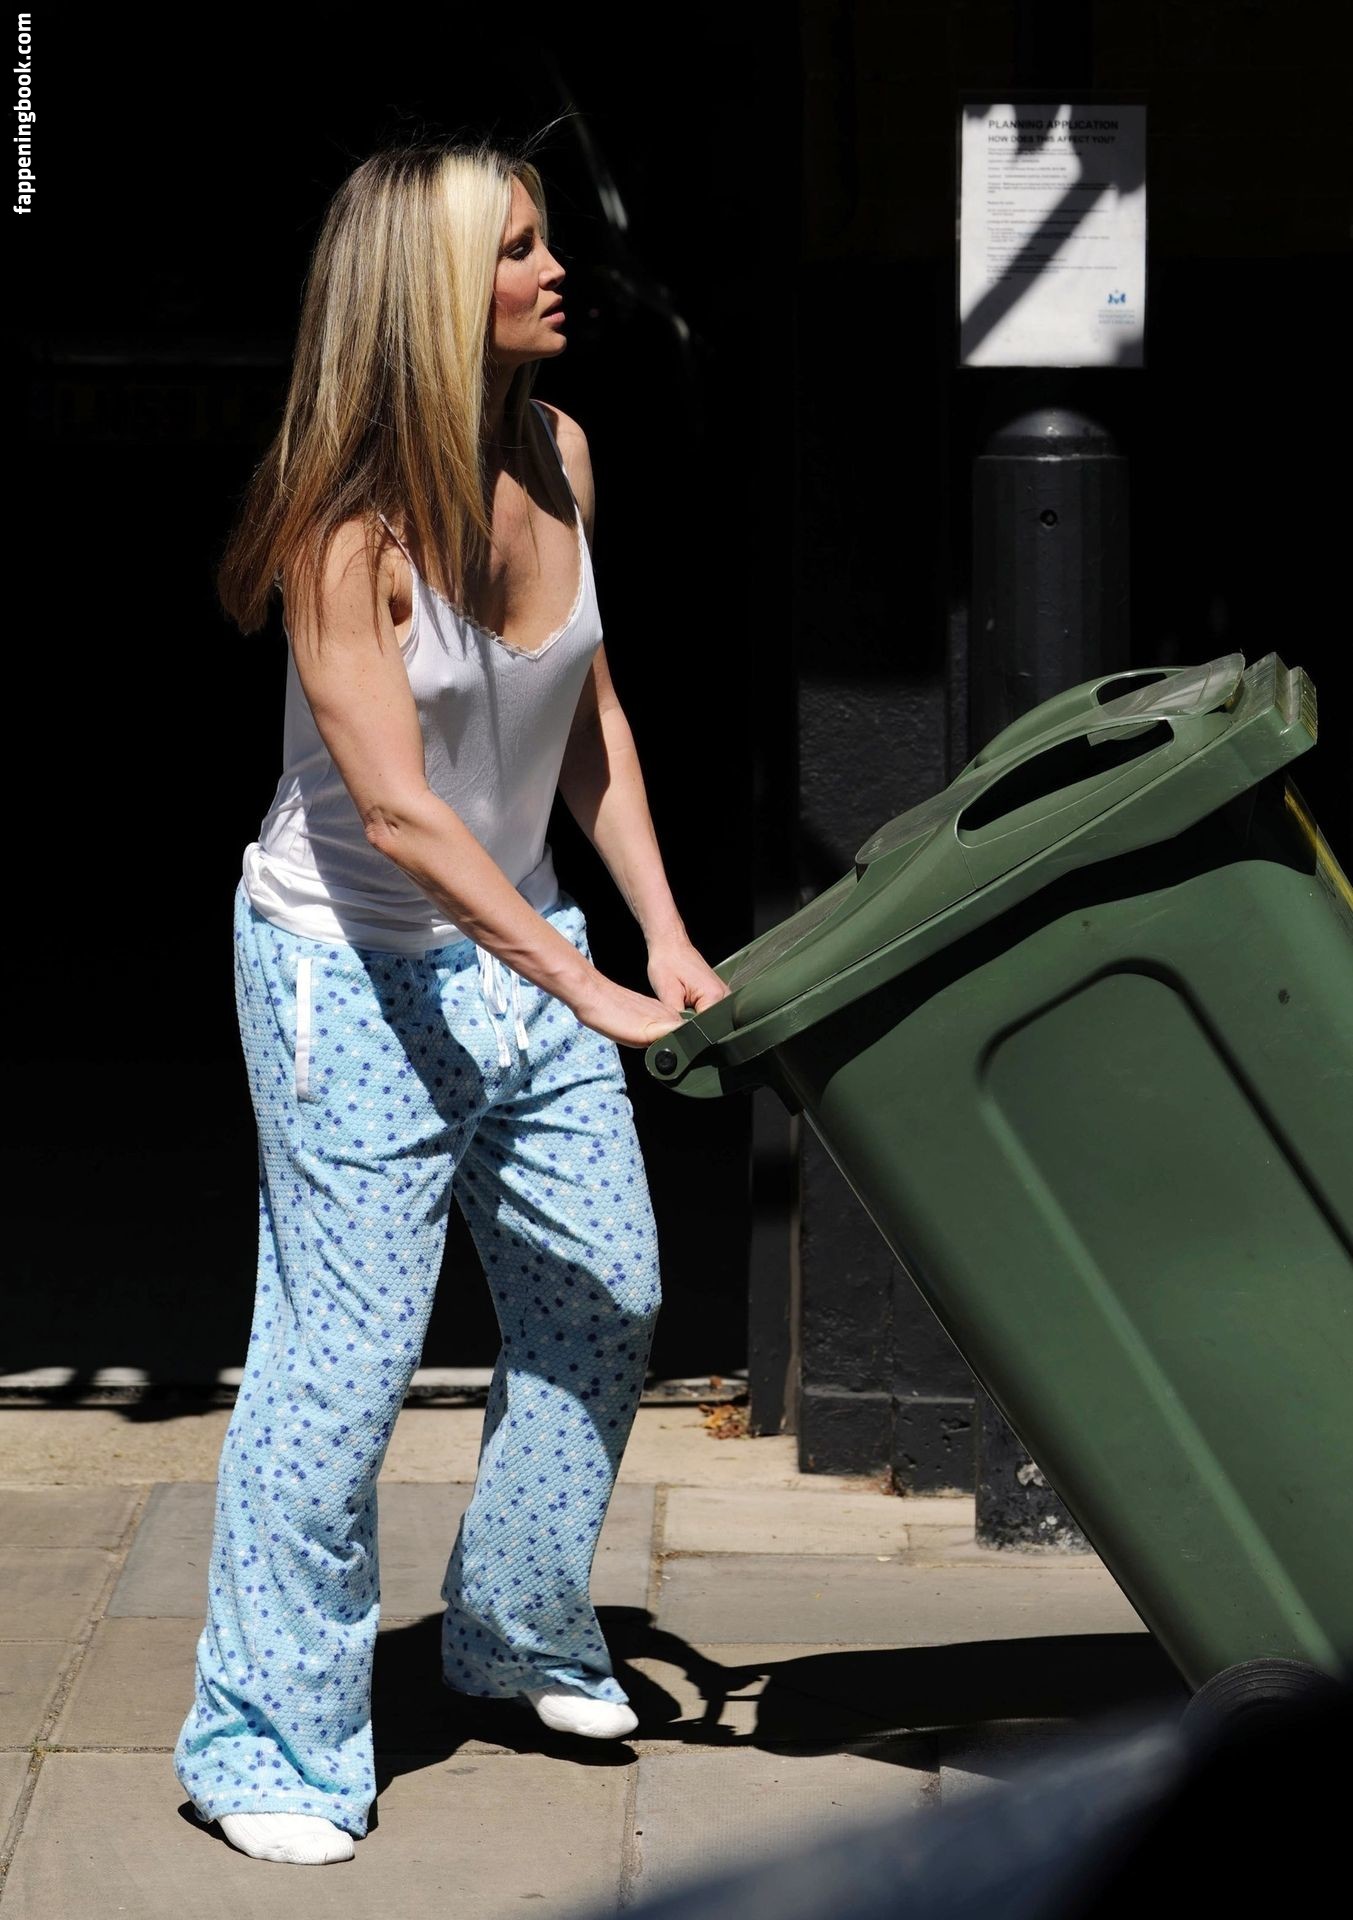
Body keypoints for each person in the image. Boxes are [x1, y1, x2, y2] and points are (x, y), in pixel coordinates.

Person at [173, 131, 730, 1867]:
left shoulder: (559, 451)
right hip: (349, 966)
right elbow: (402, 812)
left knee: (606, 1294)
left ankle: (511, 1621)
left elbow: (588, 719)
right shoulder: (341, 524)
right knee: (338, 1375)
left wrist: (661, 938)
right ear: (425, 295)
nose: (555, 270)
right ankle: (264, 1742)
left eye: (543, 238)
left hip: (527, 941)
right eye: (513, 250)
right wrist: (581, 981)